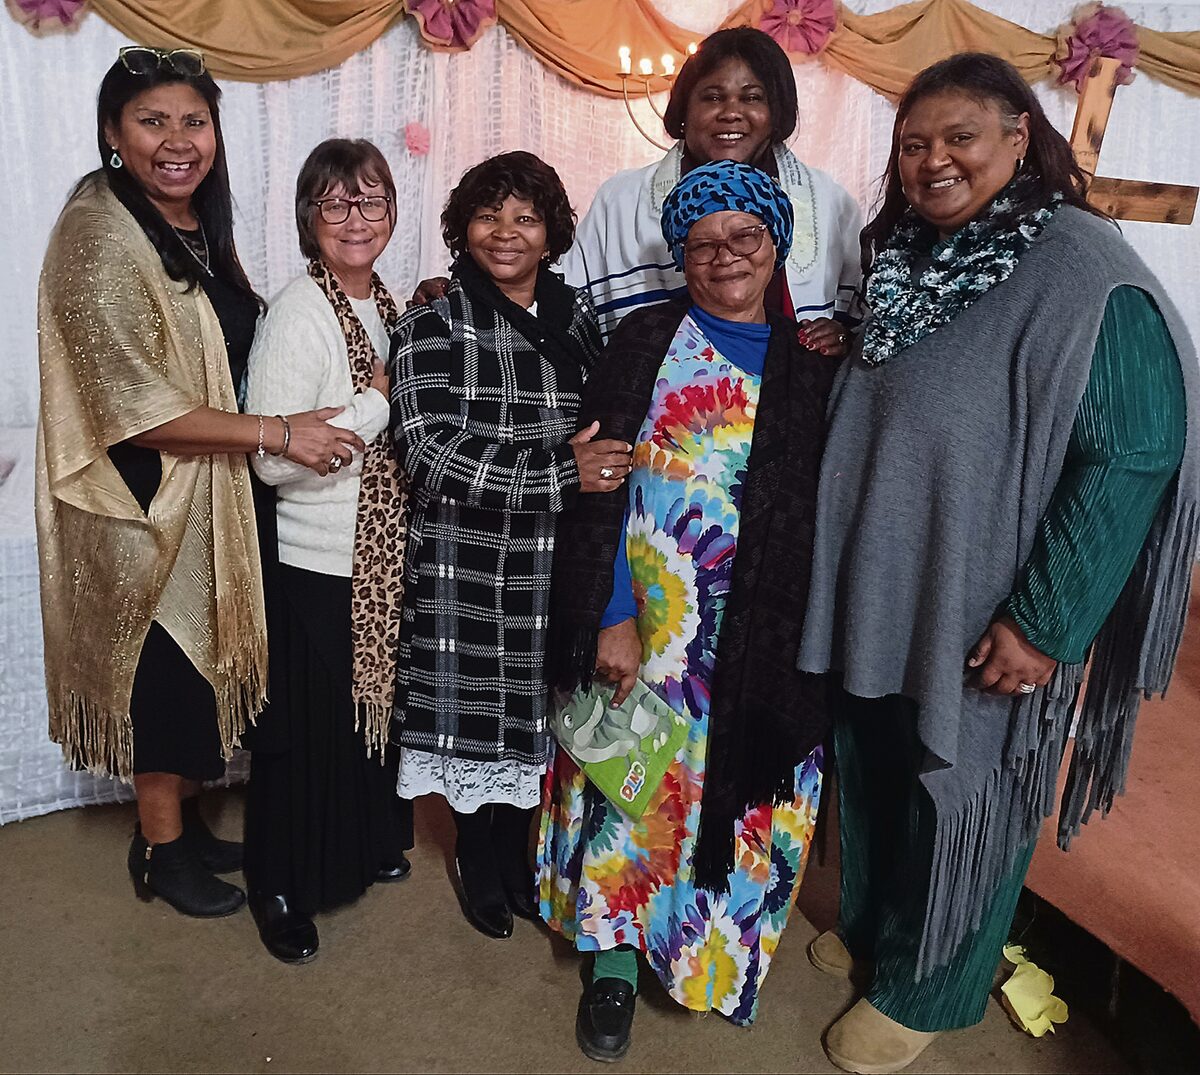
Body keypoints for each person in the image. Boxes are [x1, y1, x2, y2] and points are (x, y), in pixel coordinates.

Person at [796, 53, 1197, 1074]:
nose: (934, 160)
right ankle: (893, 934)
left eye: (959, 137)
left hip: (988, 608)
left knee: (961, 785)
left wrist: (1045, 621)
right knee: (879, 770)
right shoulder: (916, 258)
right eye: (914, 143)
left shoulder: (1081, 266)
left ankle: (935, 984)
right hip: (892, 585)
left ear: (1019, 137)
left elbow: (1138, 452)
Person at [35, 49, 360, 919]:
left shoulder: (187, 226)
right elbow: (130, 403)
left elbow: (233, 349)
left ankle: (176, 821)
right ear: (113, 134)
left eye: (194, 121)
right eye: (153, 121)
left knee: (201, 672)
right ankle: (162, 848)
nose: (178, 141)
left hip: (213, 487)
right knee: (163, 675)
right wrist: (280, 432)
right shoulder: (97, 230)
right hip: (146, 501)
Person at [540, 160, 836, 1061]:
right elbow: (599, 486)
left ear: (776, 242)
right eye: (701, 244)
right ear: (680, 256)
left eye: (744, 236)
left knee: (740, 796)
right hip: (651, 629)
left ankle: (704, 958)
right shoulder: (641, 342)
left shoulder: (817, 365)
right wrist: (612, 613)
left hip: (760, 638)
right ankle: (616, 967)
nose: (724, 256)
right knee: (634, 796)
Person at [388, 151, 619, 940]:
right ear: (462, 227)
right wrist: (562, 470)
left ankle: (518, 857)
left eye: (526, 216)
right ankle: (478, 861)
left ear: (552, 230)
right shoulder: (432, 320)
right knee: (474, 718)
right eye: (489, 215)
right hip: (467, 560)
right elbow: (428, 450)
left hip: (558, 559)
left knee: (536, 717)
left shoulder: (582, 319)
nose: (507, 232)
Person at [413, 28, 861, 358]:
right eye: (712, 97)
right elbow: (548, 291)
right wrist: (463, 288)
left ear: (776, 109)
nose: (731, 113)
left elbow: (865, 321)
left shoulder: (827, 203)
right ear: (684, 108)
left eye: (752, 97)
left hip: (794, 415)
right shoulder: (623, 199)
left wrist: (844, 339)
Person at [242, 138, 415, 963]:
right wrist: (378, 402)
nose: (357, 218)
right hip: (314, 557)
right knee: (301, 734)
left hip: (378, 551)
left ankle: (352, 847)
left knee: (360, 721)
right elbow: (273, 458)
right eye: (337, 203)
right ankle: (278, 885)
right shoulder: (298, 311)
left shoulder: (386, 306)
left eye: (372, 201)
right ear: (310, 217)